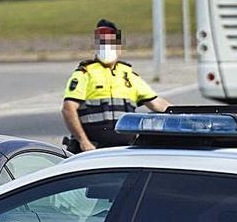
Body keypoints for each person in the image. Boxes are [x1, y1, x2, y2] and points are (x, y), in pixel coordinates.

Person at [62, 19, 171, 151]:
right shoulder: (85, 73)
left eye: (111, 43)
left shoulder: (129, 75)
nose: (107, 48)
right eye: (102, 43)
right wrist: (83, 141)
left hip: (124, 151)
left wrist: (183, 115)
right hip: (93, 150)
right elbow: (68, 109)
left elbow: (157, 104)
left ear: (119, 48)